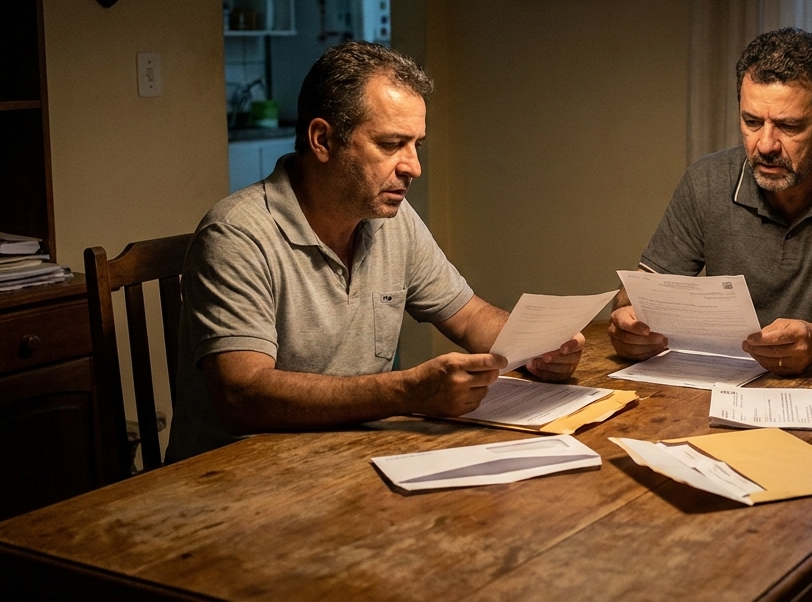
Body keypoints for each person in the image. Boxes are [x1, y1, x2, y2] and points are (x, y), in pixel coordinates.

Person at [168, 42, 583, 461]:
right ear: (322, 139)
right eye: (390, 144)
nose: (413, 167)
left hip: (350, 457)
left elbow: (470, 315)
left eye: (416, 144)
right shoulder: (237, 235)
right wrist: (407, 391)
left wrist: (540, 348)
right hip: (238, 477)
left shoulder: (391, 220)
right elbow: (243, 397)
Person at [609, 27, 812, 376]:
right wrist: (628, 321)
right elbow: (640, 290)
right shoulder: (706, 179)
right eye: (751, 122)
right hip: (728, 382)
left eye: (788, 126)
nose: (765, 144)